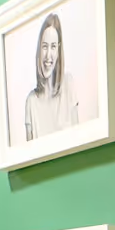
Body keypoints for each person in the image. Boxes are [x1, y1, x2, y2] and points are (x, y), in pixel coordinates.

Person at [24, 13, 80, 141]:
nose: (48, 55)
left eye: (53, 46)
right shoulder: (31, 102)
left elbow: (78, 140)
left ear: (58, 50)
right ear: (39, 49)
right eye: (44, 46)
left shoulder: (68, 84)